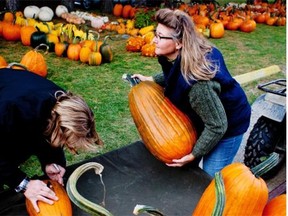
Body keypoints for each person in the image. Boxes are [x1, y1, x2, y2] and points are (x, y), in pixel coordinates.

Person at [132, 8, 251, 177]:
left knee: (208, 177)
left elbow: (217, 126)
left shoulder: (198, 86)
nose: (154, 40)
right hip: (209, 113)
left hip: (229, 123)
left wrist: (194, 154)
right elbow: (174, 73)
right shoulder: (182, 55)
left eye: (160, 36)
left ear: (179, 43)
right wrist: (151, 79)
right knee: (188, 169)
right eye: (155, 33)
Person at [0, 68, 103, 213]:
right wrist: (23, 184)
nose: (65, 145)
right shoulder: (11, 109)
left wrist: (52, 160)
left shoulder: (61, 105)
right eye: (65, 141)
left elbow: (44, 132)